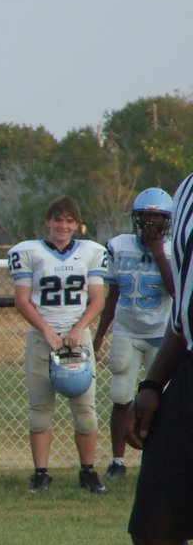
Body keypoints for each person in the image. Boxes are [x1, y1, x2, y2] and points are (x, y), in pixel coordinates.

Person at [120, 171, 193, 545]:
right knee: (155, 524)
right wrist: (153, 384)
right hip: (187, 368)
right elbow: (184, 307)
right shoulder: (188, 189)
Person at [9, 197, 108, 493]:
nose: (63, 226)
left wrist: (79, 328)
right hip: (43, 338)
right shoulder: (29, 252)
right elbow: (21, 300)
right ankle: (41, 473)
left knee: (86, 411)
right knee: (40, 409)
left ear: (77, 224)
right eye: (58, 220)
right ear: (48, 222)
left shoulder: (91, 252)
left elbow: (98, 298)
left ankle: (88, 470)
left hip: (78, 338)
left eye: (69, 221)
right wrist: (47, 331)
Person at [93, 188, 174, 480]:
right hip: (126, 330)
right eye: (146, 215)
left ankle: (158, 461)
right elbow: (113, 294)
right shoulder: (118, 245)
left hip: (160, 335)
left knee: (162, 401)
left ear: (167, 220)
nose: (151, 221)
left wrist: (156, 251)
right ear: (136, 217)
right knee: (121, 396)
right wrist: (101, 334)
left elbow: (177, 291)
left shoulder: (173, 248)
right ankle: (117, 461)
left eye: (157, 216)